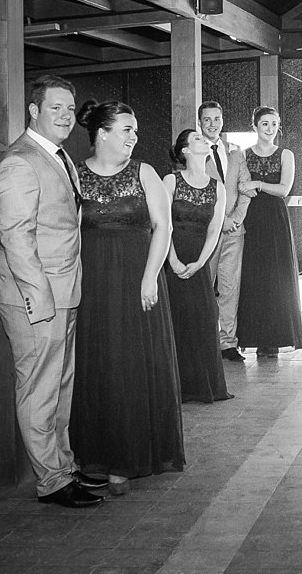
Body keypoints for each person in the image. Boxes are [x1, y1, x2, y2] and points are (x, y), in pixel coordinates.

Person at [0, 76, 106, 508]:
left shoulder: (58, 156)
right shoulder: (19, 162)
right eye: (55, 107)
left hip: (64, 290)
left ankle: (64, 466)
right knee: (39, 387)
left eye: (69, 109)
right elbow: (15, 236)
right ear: (34, 110)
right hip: (34, 296)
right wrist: (39, 296)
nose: (65, 116)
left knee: (61, 385)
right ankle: (51, 481)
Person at [70, 101, 184, 496]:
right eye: (126, 130)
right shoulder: (76, 174)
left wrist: (150, 277)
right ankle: (98, 456)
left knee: (133, 363)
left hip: (139, 279)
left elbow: (163, 226)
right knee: (98, 366)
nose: (134, 137)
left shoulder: (145, 172)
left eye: (135, 130)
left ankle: (131, 458)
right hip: (94, 283)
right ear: (102, 133)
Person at [163, 129, 233, 404]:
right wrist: (173, 260)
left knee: (203, 320)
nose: (204, 140)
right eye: (197, 139)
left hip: (200, 260)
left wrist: (200, 262)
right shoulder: (170, 180)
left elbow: (215, 229)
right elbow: (162, 223)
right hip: (171, 257)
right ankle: (175, 388)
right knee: (175, 320)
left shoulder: (217, 186)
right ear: (185, 151)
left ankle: (204, 385)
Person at [238, 106, 302, 357]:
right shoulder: (243, 155)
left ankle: (276, 339)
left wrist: (257, 183)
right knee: (253, 276)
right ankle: (253, 337)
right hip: (251, 218)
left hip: (275, 219)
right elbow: (238, 188)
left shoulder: (285, 154)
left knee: (277, 276)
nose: (270, 129)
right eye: (265, 124)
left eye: (274, 124)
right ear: (254, 126)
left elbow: (284, 189)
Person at [198, 101, 255, 363]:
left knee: (230, 287)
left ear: (223, 121)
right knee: (204, 288)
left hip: (234, 230)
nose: (212, 124)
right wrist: (219, 222)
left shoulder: (235, 152)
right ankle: (204, 341)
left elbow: (246, 189)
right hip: (207, 232)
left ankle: (228, 343)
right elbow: (196, 194)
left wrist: (234, 219)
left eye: (217, 119)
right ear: (200, 123)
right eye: (207, 119)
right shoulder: (195, 152)